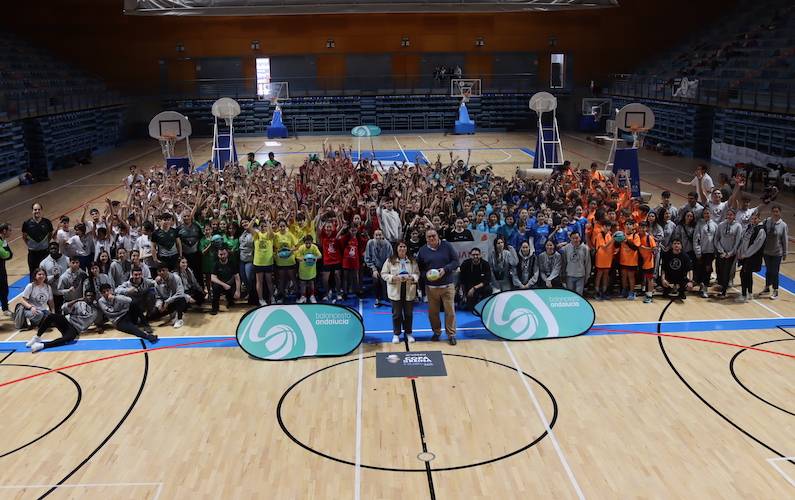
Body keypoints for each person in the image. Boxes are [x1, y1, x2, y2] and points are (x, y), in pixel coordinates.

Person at [416, 229, 460, 345]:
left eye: (433, 236)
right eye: (429, 237)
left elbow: (456, 262)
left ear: (438, 236)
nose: (431, 238)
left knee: (450, 312)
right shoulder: (422, 250)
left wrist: (445, 269)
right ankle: (436, 332)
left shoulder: (447, 246)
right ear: (426, 239)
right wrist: (427, 275)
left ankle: (451, 334)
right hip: (431, 288)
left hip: (447, 286)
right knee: (433, 313)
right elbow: (419, 269)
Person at [26, 290, 103, 353]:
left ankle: (42, 345)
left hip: (75, 329)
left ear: (94, 297)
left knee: (68, 338)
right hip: (66, 321)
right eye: (88, 295)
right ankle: (37, 337)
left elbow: (97, 323)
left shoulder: (96, 311)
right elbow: (64, 307)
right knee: (51, 316)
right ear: (85, 296)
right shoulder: (79, 303)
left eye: (91, 296)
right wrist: (76, 300)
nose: (89, 297)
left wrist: (98, 328)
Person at [381, 241, 419, 344]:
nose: (402, 248)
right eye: (400, 246)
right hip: (395, 291)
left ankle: (409, 333)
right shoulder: (390, 260)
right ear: (396, 249)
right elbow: (383, 274)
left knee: (408, 314)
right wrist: (394, 278)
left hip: (409, 290)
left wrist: (412, 277)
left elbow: (417, 274)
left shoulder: (412, 261)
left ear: (407, 248)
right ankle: (396, 334)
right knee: (397, 314)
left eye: (404, 246)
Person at [736, 212, 766, 302]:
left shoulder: (761, 230)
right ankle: (749, 294)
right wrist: (740, 252)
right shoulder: (750, 227)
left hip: (752, 257)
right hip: (745, 256)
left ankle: (744, 295)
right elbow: (744, 240)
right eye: (752, 219)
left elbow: (756, 246)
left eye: (755, 219)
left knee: (744, 274)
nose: (753, 220)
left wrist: (745, 255)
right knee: (748, 275)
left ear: (759, 219)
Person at [761, 205, 788, 300]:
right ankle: (767, 287)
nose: (775, 213)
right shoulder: (767, 222)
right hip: (767, 252)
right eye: (774, 211)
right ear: (771, 212)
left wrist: (785, 252)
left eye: (777, 211)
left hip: (777, 253)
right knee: (768, 271)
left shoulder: (783, 225)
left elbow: (784, 240)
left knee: (775, 272)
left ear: (780, 213)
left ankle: (775, 290)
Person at [22, 203, 54, 280]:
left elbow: (50, 235)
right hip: (32, 254)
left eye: (39, 209)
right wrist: (31, 246)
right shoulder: (26, 223)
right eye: (35, 209)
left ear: (41, 210)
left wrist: (45, 244)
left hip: (44, 253)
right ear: (32, 211)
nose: (37, 211)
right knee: (33, 274)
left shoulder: (47, 222)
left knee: (45, 273)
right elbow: (24, 237)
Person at [714, 208, 742, 297]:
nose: (729, 216)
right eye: (728, 214)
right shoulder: (721, 225)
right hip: (721, 253)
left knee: (727, 271)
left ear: (734, 216)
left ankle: (724, 291)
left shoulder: (738, 226)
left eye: (731, 215)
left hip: (730, 254)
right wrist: (721, 251)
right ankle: (721, 286)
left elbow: (738, 242)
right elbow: (716, 239)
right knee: (720, 270)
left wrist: (730, 253)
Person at [249, 220, 275, 306]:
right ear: (259, 227)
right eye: (261, 226)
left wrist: (268, 222)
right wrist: (254, 218)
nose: (263, 228)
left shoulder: (269, 235)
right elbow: (249, 227)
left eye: (265, 226)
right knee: (259, 282)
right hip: (258, 262)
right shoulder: (256, 235)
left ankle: (272, 297)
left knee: (269, 281)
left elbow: (271, 232)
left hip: (268, 262)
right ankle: (261, 299)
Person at [364, 229, 392, 307]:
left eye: (380, 235)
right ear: (373, 236)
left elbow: (390, 259)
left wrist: (385, 270)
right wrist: (374, 269)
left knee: (384, 281)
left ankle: (387, 298)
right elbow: (367, 258)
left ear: (382, 235)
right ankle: (377, 298)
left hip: (385, 267)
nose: (378, 237)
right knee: (376, 280)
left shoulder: (387, 244)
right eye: (376, 235)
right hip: (374, 267)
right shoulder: (370, 243)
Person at [694, 209, 718, 298]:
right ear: (703, 215)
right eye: (705, 213)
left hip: (710, 252)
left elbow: (716, 239)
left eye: (708, 213)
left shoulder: (715, 225)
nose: (707, 215)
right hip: (702, 251)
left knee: (708, 269)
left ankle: (704, 288)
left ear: (711, 214)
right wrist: (698, 252)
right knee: (700, 269)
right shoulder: (700, 225)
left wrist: (715, 251)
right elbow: (696, 239)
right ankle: (701, 286)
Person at [210, 246, 240, 315]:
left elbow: (237, 278)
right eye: (221, 254)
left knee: (235, 295)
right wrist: (224, 285)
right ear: (218, 255)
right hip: (221, 285)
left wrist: (238, 291)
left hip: (230, 284)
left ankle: (230, 301)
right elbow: (213, 278)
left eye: (224, 254)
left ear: (227, 254)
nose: (223, 256)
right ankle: (215, 308)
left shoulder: (232, 263)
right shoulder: (216, 264)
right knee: (215, 287)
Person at [561, 231, 591, 296]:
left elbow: (587, 263)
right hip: (569, 275)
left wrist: (587, 275)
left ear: (580, 238)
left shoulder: (585, 248)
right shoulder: (566, 248)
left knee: (579, 296)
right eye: (573, 238)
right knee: (570, 295)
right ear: (570, 239)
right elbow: (564, 263)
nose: (575, 240)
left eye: (577, 238)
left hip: (581, 276)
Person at [294, 235, 322, 304]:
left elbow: (320, 256)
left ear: (312, 242)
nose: (308, 244)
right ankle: (303, 296)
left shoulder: (314, 247)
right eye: (306, 243)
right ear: (304, 243)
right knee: (302, 283)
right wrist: (302, 259)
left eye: (309, 243)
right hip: (303, 270)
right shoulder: (301, 248)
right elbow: (297, 257)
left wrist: (315, 258)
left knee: (311, 283)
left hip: (311, 270)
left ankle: (312, 296)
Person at [619, 220, 641, 300]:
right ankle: (624, 291)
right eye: (627, 224)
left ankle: (632, 292)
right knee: (623, 277)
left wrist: (626, 241)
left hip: (632, 261)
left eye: (630, 224)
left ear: (633, 226)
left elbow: (635, 247)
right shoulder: (621, 234)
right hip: (623, 259)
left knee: (631, 277)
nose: (628, 226)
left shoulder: (635, 235)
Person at [636, 221, 657, 303]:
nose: (642, 229)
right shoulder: (637, 236)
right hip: (641, 260)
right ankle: (643, 291)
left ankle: (650, 295)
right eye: (641, 227)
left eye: (644, 227)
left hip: (648, 261)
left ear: (647, 228)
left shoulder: (649, 238)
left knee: (649, 278)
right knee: (642, 277)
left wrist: (644, 248)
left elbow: (654, 248)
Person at [0, 223, 12, 316]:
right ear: (4, 231)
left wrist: (7, 254)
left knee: (5, 289)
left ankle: (5, 309)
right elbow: (5, 254)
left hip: (2, 268)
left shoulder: (3, 241)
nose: (10, 232)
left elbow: (9, 254)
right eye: (9, 230)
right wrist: (7, 254)